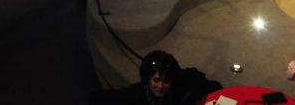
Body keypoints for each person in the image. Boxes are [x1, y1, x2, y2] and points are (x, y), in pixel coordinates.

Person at [89, 50, 222, 105]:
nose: (161, 86)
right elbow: (101, 98)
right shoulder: (138, 94)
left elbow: (215, 87)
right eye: (156, 80)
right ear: (148, 79)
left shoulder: (183, 80)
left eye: (166, 81)